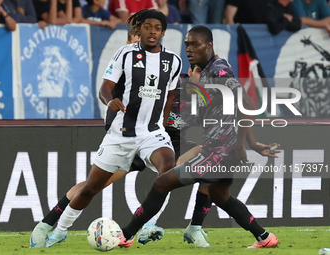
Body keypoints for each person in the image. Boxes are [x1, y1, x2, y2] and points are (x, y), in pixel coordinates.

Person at [119, 25, 280, 249]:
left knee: (161, 183)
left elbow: (245, 102)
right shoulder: (204, 72)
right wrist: (250, 143)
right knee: (221, 197)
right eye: (187, 45)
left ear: (209, 46)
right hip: (221, 149)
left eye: (196, 45)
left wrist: (243, 144)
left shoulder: (219, 69)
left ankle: (125, 236)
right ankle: (265, 237)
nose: (190, 49)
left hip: (219, 151)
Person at [43, 9, 183, 248]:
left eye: (157, 28)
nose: (152, 32)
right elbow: (104, 89)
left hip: (152, 133)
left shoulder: (174, 61)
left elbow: (169, 97)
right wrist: (110, 101)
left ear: (163, 32)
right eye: (147, 27)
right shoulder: (124, 54)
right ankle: (60, 230)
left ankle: (141, 227)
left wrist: (163, 123)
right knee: (90, 188)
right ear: (138, 30)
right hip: (121, 134)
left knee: (167, 171)